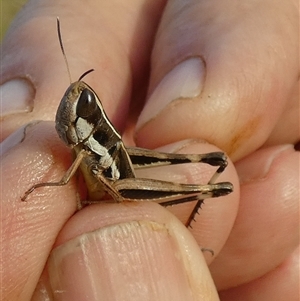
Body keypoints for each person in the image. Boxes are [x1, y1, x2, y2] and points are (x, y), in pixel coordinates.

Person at [1, 1, 298, 300]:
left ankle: (197, 224)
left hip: (122, 183)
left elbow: (103, 183)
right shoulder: (78, 146)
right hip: (112, 177)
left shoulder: (86, 151)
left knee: (206, 167)